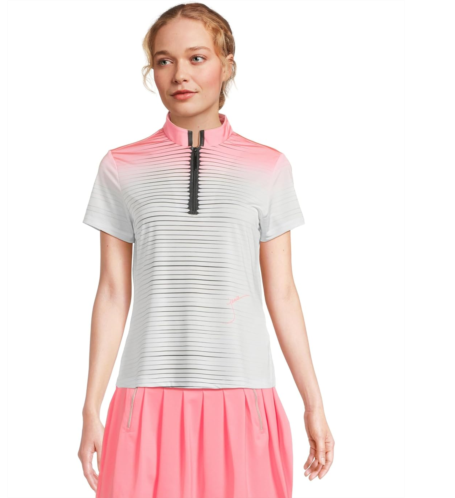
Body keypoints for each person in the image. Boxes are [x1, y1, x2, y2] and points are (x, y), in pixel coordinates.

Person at [78, 3, 334, 497]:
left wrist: (314, 404)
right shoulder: (120, 167)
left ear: (227, 65)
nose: (180, 74)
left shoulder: (268, 167)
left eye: (197, 58)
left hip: (243, 395)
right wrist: (91, 407)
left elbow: (282, 292)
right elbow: (112, 292)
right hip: (145, 397)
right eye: (164, 60)